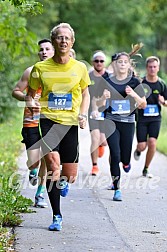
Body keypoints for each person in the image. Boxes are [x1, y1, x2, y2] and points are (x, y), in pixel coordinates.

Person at [26, 22, 90, 231]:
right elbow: (30, 94)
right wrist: (31, 102)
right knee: (53, 165)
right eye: (59, 37)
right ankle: (57, 216)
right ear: (53, 41)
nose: (63, 41)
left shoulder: (80, 67)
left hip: (70, 124)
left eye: (67, 38)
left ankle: (63, 182)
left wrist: (82, 113)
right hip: (47, 121)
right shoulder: (40, 68)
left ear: (72, 42)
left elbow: (86, 93)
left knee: (69, 175)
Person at [97, 52, 146, 201]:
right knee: (115, 154)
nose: (122, 64)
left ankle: (126, 162)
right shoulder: (106, 80)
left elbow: (143, 104)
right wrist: (103, 98)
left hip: (128, 122)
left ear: (129, 65)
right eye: (120, 62)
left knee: (124, 156)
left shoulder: (135, 82)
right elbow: (99, 105)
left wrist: (133, 95)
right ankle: (117, 188)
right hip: (111, 121)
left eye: (125, 62)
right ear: (115, 64)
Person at [12, 39, 54, 208]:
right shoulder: (31, 71)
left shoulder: (59, 74)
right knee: (34, 161)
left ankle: (40, 193)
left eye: (47, 49)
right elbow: (15, 91)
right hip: (31, 121)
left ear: (54, 52)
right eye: (41, 50)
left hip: (50, 121)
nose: (44, 52)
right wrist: (26, 98)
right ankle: (33, 169)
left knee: (47, 157)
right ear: (38, 54)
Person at [134, 56, 167, 177]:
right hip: (142, 119)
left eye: (155, 67)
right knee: (142, 146)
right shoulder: (141, 83)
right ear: (147, 68)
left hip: (155, 118)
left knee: (152, 142)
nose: (152, 69)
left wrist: (163, 102)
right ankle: (138, 150)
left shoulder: (162, 84)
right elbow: (134, 100)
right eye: (150, 67)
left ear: (158, 68)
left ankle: (146, 168)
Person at [88, 51, 109, 176]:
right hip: (93, 111)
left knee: (104, 141)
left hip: (106, 112)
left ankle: (102, 145)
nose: (99, 63)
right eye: (97, 61)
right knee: (95, 138)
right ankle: (94, 166)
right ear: (93, 62)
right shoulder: (89, 76)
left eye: (101, 61)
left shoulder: (109, 76)